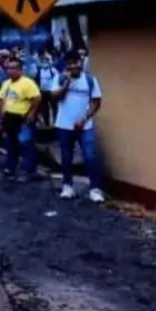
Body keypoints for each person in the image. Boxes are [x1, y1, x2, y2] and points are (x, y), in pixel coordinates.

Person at [51, 53, 105, 202]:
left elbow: (96, 101)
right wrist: (66, 84)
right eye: (69, 64)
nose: (72, 66)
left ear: (80, 63)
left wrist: (85, 118)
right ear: (66, 65)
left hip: (84, 126)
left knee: (90, 156)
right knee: (66, 156)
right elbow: (54, 97)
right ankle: (67, 186)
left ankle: (95, 189)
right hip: (63, 125)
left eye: (75, 63)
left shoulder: (89, 80)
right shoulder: (59, 79)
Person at [0, 58, 41, 182]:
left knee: (25, 144)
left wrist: (32, 113)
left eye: (13, 68)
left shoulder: (27, 83)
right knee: (10, 145)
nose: (10, 71)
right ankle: (9, 169)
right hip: (8, 119)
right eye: (8, 68)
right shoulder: (6, 84)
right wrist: (0, 116)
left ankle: (28, 171)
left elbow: (36, 99)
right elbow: (2, 100)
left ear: (19, 70)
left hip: (23, 119)